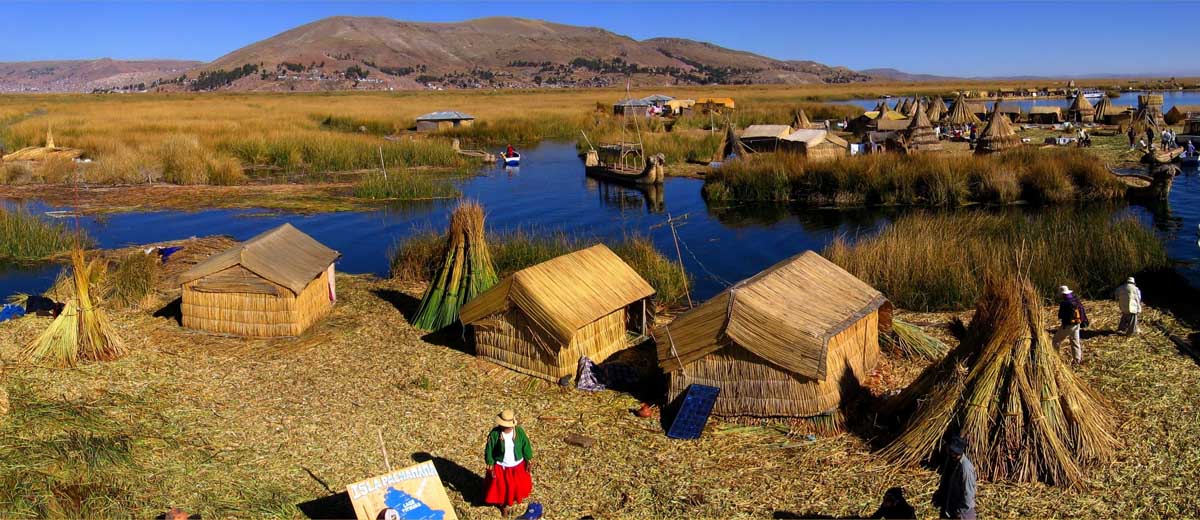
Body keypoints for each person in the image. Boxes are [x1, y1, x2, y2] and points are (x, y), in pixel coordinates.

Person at [483, 409, 533, 517]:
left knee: (515, 485)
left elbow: (526, 445)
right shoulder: (495, 434)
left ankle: (512, 499)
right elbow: (489, 449)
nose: (507, 427)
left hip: (517, 465)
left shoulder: (519, 432)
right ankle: (504, 505)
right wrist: (490, 464)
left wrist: (528, 459)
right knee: (502, 487)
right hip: (502, 466)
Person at [932, 436, 976, 519]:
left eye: (954, 451)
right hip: (949, 505)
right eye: (951, 450)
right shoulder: (949, 460)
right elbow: (946, 480)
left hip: (962, 511)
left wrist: (960, 512)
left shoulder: (966, 468)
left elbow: (969, 493)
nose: (951, 453)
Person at [1053, 286, 1090, 365]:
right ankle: (1077, 360)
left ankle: (1055, 359)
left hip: (1068, 325)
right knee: (1075, 342)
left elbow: (1060, 315)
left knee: (1055, 341)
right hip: (1077, 323)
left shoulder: (1065, 303)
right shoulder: (1076, 300)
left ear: (1062, 294)